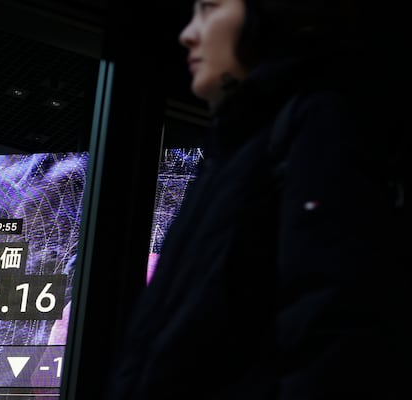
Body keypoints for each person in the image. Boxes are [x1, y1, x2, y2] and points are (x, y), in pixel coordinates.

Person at [103, 0, 409, 399]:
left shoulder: (318, 126)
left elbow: (332, 325)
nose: (188, 33)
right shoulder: (234, 146)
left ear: (269, 15)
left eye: (210, 8)